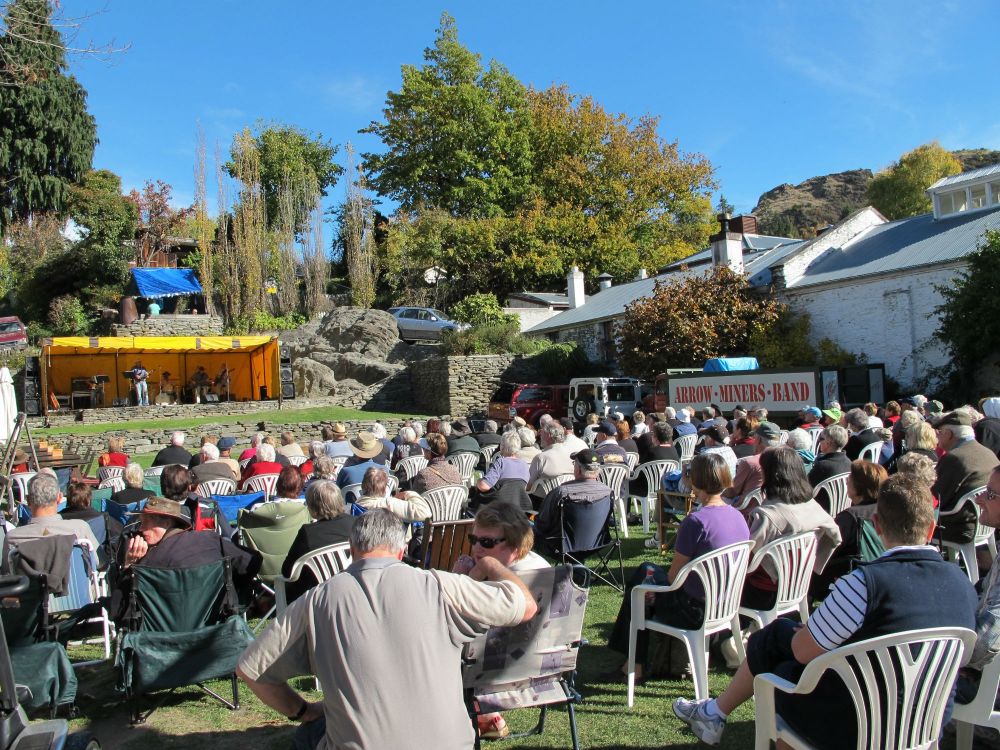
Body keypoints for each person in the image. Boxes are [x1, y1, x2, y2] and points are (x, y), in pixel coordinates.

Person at [673, 474, 977, 749]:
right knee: (780, 642)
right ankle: (713, 713)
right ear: (932, 527)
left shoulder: (864, 584)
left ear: (877, 524)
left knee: (781, 664)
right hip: (926, 719)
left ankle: (715, 714)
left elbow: (803, 651)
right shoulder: (962, 585)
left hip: (856, 724)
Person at [236, 508, 537, 750]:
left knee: (307, 734)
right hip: (452, 743)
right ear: (402, 549)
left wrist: (304, 711)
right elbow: (525, 605)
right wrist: (488, 565)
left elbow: (252, 671)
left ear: (352, 549)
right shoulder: (442, 586)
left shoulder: (315, 601)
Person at [605, 452, 750, 682]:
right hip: (725, 603)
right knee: (646, 570)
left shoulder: (696, 522)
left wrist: (653, 588)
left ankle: (634, 665)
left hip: (692, 609)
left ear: (696, 480)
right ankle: (633, 661)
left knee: (639, 589)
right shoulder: (738, 516)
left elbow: (673, 579)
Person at [451, 502, 548, 739]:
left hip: (490, 674)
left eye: (487, 543)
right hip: (545, 670)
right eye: (473, 540)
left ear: (514, 546)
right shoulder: (545, 571)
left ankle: (482, 715)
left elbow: (447, 621)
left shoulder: (493, 589)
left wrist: (459, 580)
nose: (476, 548)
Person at [740, 447, 842, 614]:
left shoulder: (766, 516)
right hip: (800, 583)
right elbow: (835, 536)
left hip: (764, 591)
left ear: (771, 475)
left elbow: (747, 561)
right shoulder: (813, 506)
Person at [811, 459, 888, 597]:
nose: (846, 480)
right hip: (880, 572)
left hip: (847, 577)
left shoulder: (850, 517)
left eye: (851, 477)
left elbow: (825, 549)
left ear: (860, 487)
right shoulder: (886, 510)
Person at [957, 466, 1000, 703]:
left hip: (990, 688)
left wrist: (948, 655)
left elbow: (989, 639)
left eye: (990, 494)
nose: (980, 499)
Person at [279, 481, 355, 603]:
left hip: (318, 598)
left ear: (312, 505)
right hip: (353, 590)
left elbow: (288, 572)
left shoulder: (308, 533)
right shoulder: (355, 523)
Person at [934, 409, 1000, 549]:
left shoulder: (954, 458)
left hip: (960, 526)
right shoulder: (988, 452)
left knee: (909, 521)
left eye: (939, 432)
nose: (937, 437)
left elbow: (937, 499)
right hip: (986, 523)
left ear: (949, 434)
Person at [2, 473, 99, 565]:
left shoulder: (13, 537)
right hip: (73, 581)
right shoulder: (80, 528)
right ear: (59, 498)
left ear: (28, 500)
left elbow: (8, 574)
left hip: (31, 582)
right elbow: (98, 563)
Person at [534, 448, 612, 547]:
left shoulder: (561, 493)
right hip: (597, 544)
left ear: (578, 470)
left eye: (574, 464)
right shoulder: (608, 492)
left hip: (560, 546)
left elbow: (542, 523)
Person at [355, 467, 430, 538]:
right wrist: (407, 493)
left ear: (363, 485)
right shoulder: (389, 504)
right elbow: (425, 513)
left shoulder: (357, 504)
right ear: (384, 489)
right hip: (391, 546)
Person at [721, 421, 780, 509]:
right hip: (774, 507)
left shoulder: (750, 462)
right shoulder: (785, 460)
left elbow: (732, 492)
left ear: (759, 440)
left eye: (754, 438)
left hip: (746, 511)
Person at [527, 422, 577, 500]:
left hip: (544, 503)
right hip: (570, 499)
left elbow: (528, 486)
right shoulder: (572, 454)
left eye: (542, 432)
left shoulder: (541, 458)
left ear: (548, 435)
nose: (540, 436)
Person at [629, 422, 679, 498]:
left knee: (626, 483)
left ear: (655, 437)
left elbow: (641, 472)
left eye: (653, 434)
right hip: (665, 486)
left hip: (647, 487)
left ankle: (626, 509)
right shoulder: (674, 450)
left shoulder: (652, 452)